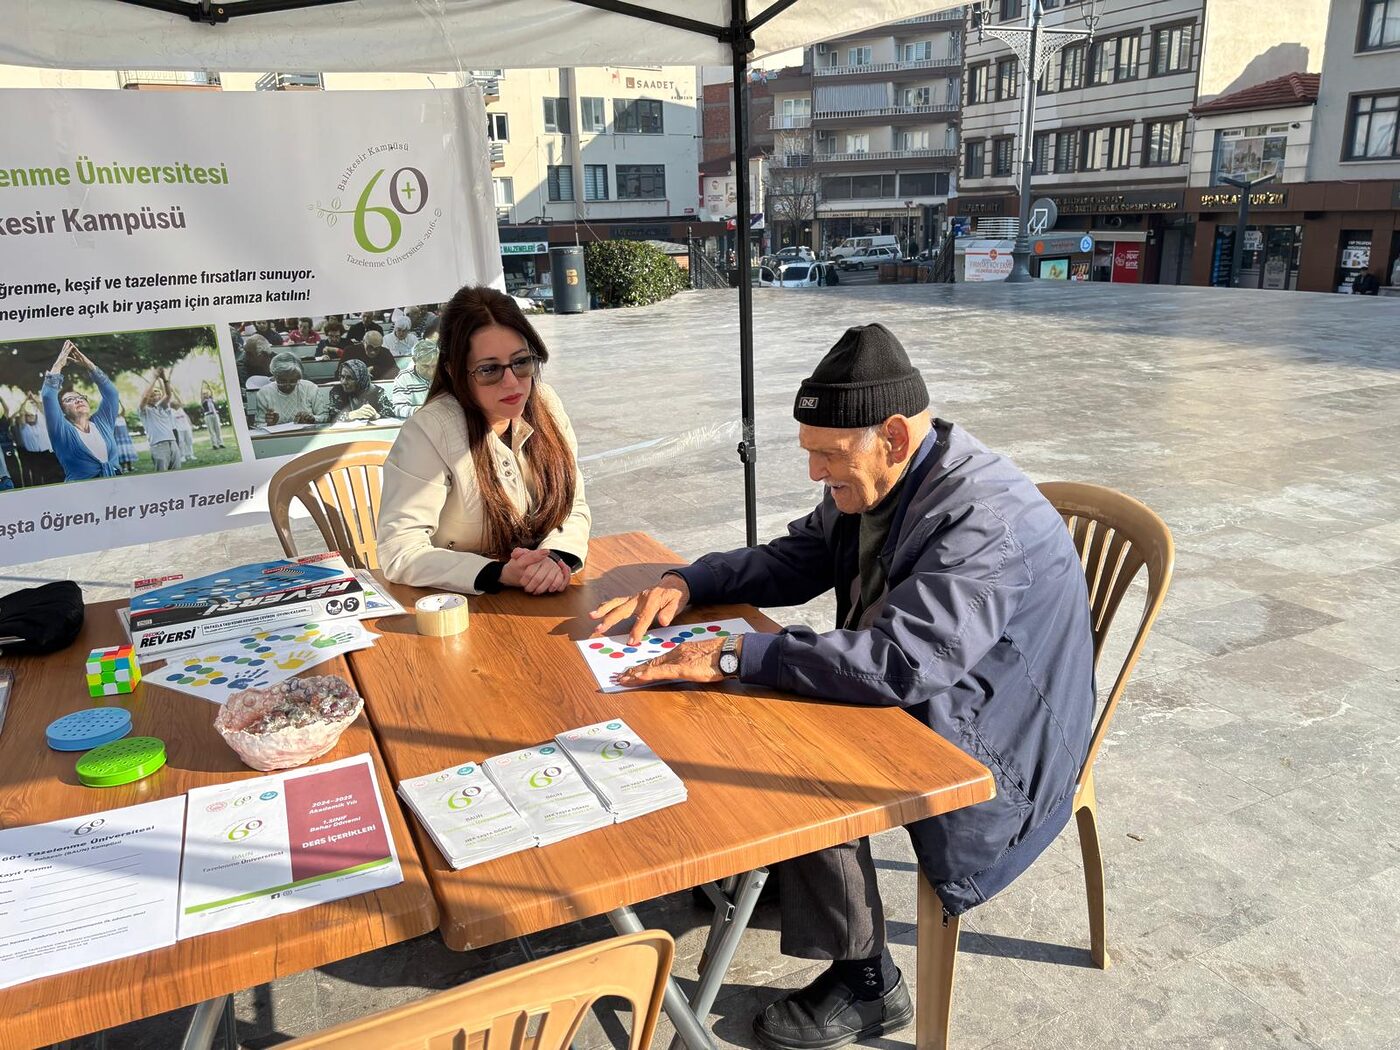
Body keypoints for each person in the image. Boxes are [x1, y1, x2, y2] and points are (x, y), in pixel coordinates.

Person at [589, 324, 1095, 1050]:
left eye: (827, 455)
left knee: (799, 748)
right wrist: (689, 581)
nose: (815, 473)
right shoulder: (895, 472)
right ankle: (764, 875)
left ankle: (867, 980)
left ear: (892, 434)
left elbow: (899, 664)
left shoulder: (983, 517)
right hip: (945, 689)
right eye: (810, 454)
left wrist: (733, 655)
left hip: (1001, 741)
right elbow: (798, 557)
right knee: (749, 691)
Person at [377, 285, 590, 596]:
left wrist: (555, 558)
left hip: (547, 593)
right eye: (489, 369)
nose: (511, 382)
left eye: (521, 362)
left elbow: (573, 505)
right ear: (454, 372)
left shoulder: (547, 405)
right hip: (466, 604)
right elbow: (400, 549)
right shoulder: (428, 431)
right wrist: (499, 573)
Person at [41, 342, 123, 482]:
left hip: (116, 485)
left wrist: (89, 366)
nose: (78, 400)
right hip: (83, 493)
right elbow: (48, 396)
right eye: (70, 400)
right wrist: (59, 365)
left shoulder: (102, 422)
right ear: (63, 411)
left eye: (80, 397)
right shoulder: (61, 430)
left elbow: (112, 394)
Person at [254, 352, 327, 427]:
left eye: (293, 381)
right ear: (275, 377)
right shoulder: (264, 393)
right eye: (282, 381)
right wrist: (269, 424)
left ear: (299, 378)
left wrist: (312, 419)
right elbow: (258, 425)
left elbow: (325, 416)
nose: (287, 386)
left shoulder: (310, 388)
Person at [13, 395, 65, 486]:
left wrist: (33, 399)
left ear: (35, 415)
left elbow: (43, 408)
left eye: (31, 415)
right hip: (33, 456)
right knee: (37, 479)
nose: (28, 416)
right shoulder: (24, 427)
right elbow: (21, 413)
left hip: (48, 454)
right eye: (27, 416)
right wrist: (25, 401)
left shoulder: (42, 422)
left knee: (54, 477)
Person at [139, 370, 183, 472]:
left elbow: (168, 394)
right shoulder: (143, 410)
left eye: (156, 395)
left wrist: (164, 379)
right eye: (151, 395)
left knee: (177, 472)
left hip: (172, 442)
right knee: (162, 475)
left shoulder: (162, 407)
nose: (154, 397)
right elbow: (145, 396)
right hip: (158, 445)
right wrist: (154, 378)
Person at [327, 358, 394, 422]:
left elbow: (389, 412)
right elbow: (332, 416)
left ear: (361, 379)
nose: (344, 382)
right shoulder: (337, 391)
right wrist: (352, 415)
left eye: (349, 378)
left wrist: (377, 415)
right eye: (342, 377)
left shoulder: (376, 391)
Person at [391, 339, 438, 418]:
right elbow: (398, 408)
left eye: (434, 366)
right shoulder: (404, 378)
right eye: (425, 366)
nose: (431, 371)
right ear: (414, 360)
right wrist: (417, 411)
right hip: (417, 422)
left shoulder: (444, 375)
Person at [200, 383, 226, 450]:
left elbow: (212, 391)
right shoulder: (203, 401)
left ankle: (221, 443)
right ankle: (214, 444)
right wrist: (201, 386)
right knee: (211, 431)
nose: (205, 394)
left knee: (218, 429)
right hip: (208, 416)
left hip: (215, 414)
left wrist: (208, 385)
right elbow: (201, 394)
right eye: (204, 394)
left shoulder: (211, 399)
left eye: (206, 393)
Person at [112, 408, 139, 473]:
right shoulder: (113, 419)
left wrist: (120, 402)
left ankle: (130, 467)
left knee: (128, 452)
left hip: (126, 439)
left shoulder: (122, 417)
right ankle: (124, 468)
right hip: (118, 439)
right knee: (121, 453)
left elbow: (123, 409)